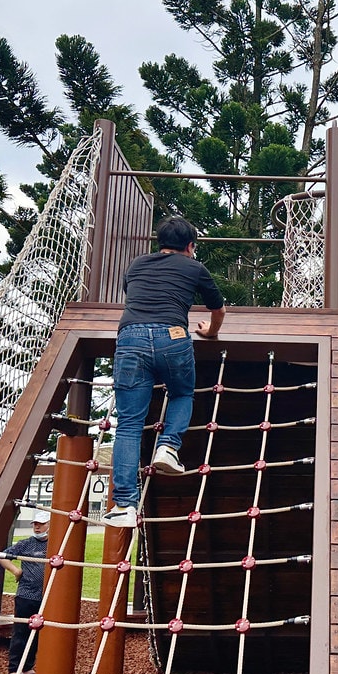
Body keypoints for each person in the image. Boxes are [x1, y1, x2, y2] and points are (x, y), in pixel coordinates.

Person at [103, 215, 225, 529]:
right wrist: (210, 332)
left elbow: (133, 293)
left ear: (160, 244)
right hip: (173, 335)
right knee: (182, 393)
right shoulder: (194, 267)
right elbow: (218, 310)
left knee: (129, 424)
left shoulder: (136, 264)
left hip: (130, 338)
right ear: (190, 246)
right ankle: (169, 446)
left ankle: (124, 505)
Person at [0, 510, 50, 674]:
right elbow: (1, 556)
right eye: (35, 524)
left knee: (38, 634)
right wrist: (16, 571)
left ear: (50, 525)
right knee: (21, 632)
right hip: (26, 595)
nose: (37, 527)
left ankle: (27, 668)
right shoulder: (26, 544)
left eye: (41, 524)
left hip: (46, 597)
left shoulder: (55, 546)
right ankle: (14, 669)